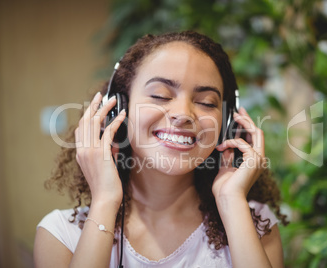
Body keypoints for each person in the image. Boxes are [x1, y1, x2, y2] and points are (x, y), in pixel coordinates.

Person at [34, 31, 288, 267]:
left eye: (206, 102)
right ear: (118, 110)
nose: (183, 114)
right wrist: (105, 202)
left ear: (227, 124)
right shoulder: (62, 235)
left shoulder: (254, 223)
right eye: (160, 95)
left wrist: (231, 201)